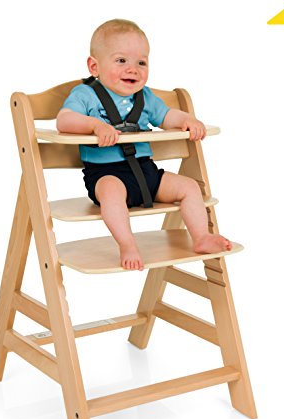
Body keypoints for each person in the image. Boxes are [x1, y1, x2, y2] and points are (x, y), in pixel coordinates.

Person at [57, 19, 232, 271]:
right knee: (111, 194)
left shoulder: (145, 96)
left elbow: (167, 116)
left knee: (189, 187)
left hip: (146, 171)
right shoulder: (85, 95)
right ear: (94, 66)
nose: (133, 69)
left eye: (141, 62)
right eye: (121, 60)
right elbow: (64, 120)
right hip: (106, 175)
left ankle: (202, 237)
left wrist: (187, 120)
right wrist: (94, 126)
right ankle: (128, 244)